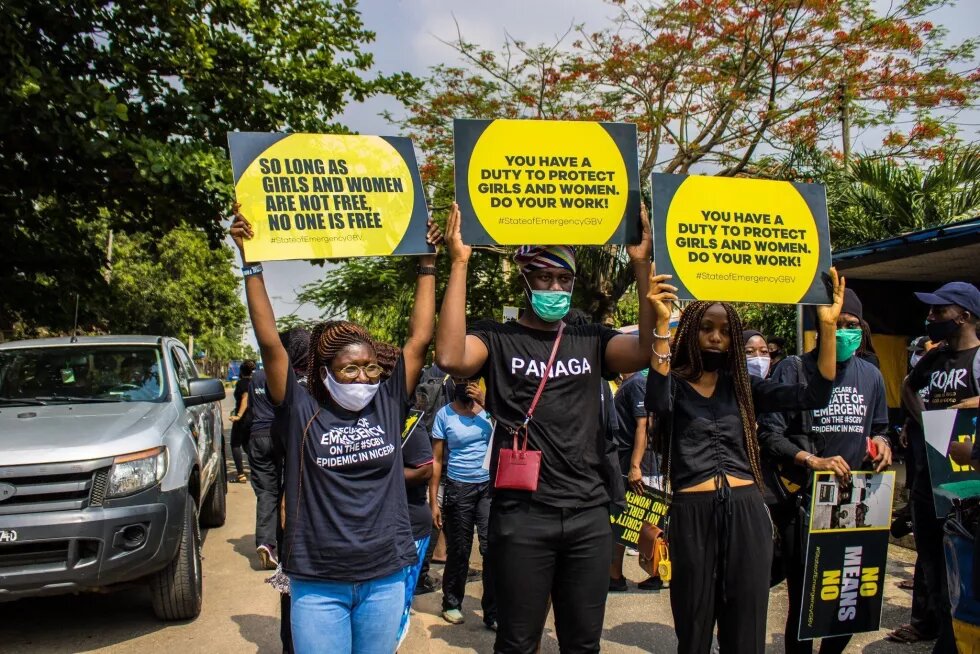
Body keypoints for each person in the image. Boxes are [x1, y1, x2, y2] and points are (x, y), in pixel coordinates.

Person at [435, 202, 656, 653]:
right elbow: (451, 357)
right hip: (522, 517)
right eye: (545, 278)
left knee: (582, 643)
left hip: (589, 515)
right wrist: (458, 264)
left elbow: (643, 352)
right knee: (517, 642)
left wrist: (641, 265)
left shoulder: (591, 338)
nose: (556, 288)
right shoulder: (496, 338)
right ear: (526, 279)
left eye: (564, 280)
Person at [229, 207, 442, 654]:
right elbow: (270, 342)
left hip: (384, 575)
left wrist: (428, 263)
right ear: (323, 373)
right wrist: (250, 263)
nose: (364, 377)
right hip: (317, 581)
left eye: (370, 367)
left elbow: (419, 339)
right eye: (350, 369)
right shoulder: (301, 407)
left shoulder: (387, 401)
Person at [644, 265, 844, 654]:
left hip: (747, 510)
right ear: (692, 331)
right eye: (707, 328)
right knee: (694, 625)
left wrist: (829, 327)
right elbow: (655, 400)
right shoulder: (674, 385)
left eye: (724, 330)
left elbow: (815, 395)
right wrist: (662, 324)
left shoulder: (746, 388)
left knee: (747, 627)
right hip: (692, 514)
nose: (716, 337)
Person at [758, 288, 892, 654]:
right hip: (803, 501)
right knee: (805, 599)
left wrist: (884, 444)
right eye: (838, 324)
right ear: (821, 328)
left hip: (854, 504)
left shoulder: (871, 375)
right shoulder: (794, 368)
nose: (845, 332)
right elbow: (769, 434)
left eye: (852, 326)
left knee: (846, 599)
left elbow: (879, 426)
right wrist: (811, 460)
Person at [896, 281, 980, 654]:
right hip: (930, 475)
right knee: (933, 564)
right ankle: (946, 636)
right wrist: (928, 423)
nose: (930, 318)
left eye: (938, 311)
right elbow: (907, 387)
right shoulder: (934, 357)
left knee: (966, 564)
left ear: (963, 315)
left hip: (968, 475)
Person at [430, 376, 496, 629]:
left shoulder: (488, 411)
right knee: (459, 548)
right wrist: (433, 500)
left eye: (470, 380)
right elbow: (436, 460)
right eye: (460, 381)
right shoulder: (444, 415)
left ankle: (493, 610)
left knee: (491, 547)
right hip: (458, 486)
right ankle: (452, 602)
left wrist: (484, 401)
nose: (465, 385)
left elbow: (512, 424)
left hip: (488, 487)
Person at [249, 330, 309, 572]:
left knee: (266, 492)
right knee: (289, 485)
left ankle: (266, 542)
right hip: (281, 436)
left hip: (257, 436)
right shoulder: (289, 379)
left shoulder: (257, 378)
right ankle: (283, 540)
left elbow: (250, 413)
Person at [609, 366, 662, 591]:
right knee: (626, 522)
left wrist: (635, 466)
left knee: (643, 523)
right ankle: (615, 576)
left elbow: (644, 426)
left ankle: (658, 572)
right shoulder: (631, 384)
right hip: (629, 461)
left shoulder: (637, 384)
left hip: (640, 465)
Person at [229, 359, 256, 483]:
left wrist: (238, 415)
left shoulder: (242, 383)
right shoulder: (256, 382)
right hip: (254, 418)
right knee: (247, 445)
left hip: (243, 419)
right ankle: (256, 469)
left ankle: (240, 474)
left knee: (235, 444)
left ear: (241, 371)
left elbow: (245, 398)